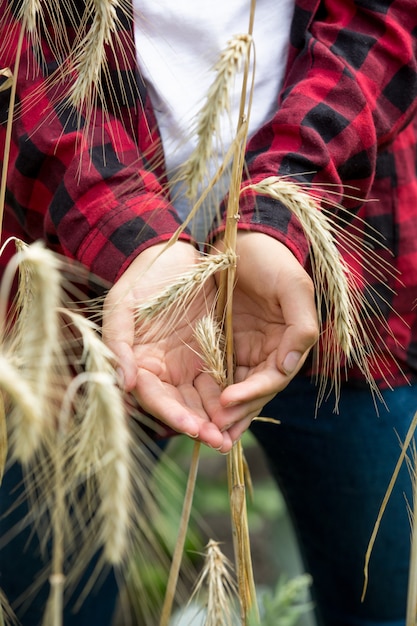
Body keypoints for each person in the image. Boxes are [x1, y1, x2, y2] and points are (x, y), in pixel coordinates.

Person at [0, 0, 416, 625]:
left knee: (382, 604)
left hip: (345, 262)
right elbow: (27, 56)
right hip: (72, 288)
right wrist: (140, 243)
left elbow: (384, 17)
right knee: (51, 605)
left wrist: (281, 213)